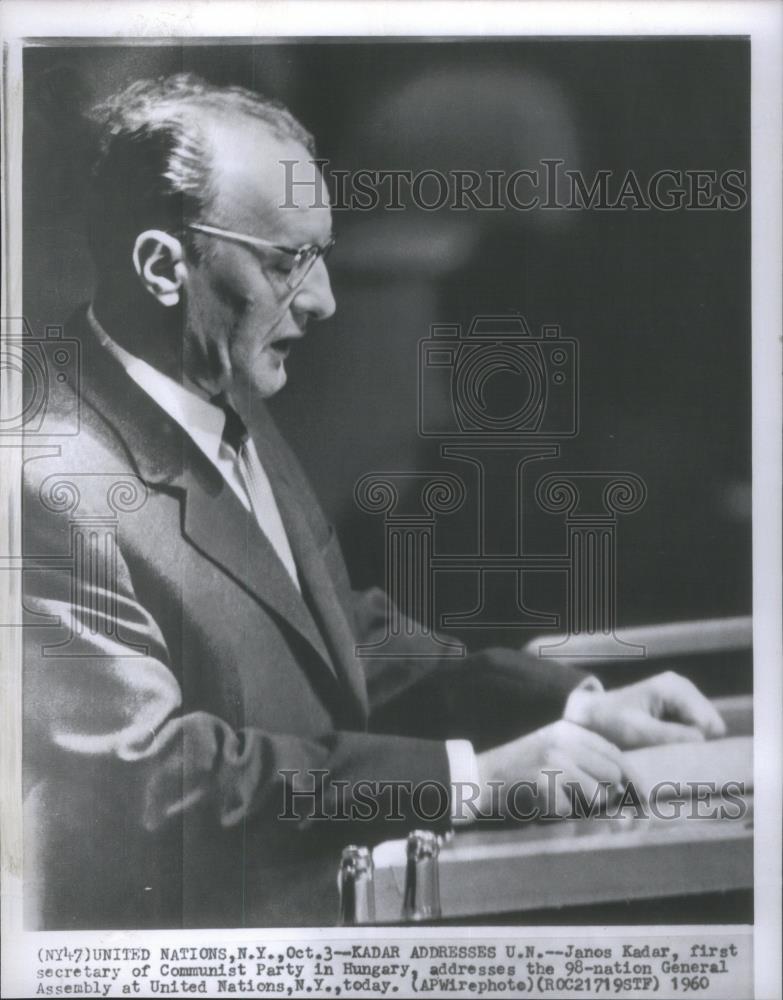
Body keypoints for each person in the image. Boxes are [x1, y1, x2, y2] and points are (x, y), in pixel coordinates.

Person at [22, 73, 725, 929]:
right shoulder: (44, 480)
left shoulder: (222, 388)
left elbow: (337, 634)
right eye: (287, 262)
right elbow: (153, 780)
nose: (322, 301)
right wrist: (470, 781)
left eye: (321, 255)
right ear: (163, 266)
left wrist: (569, 704)